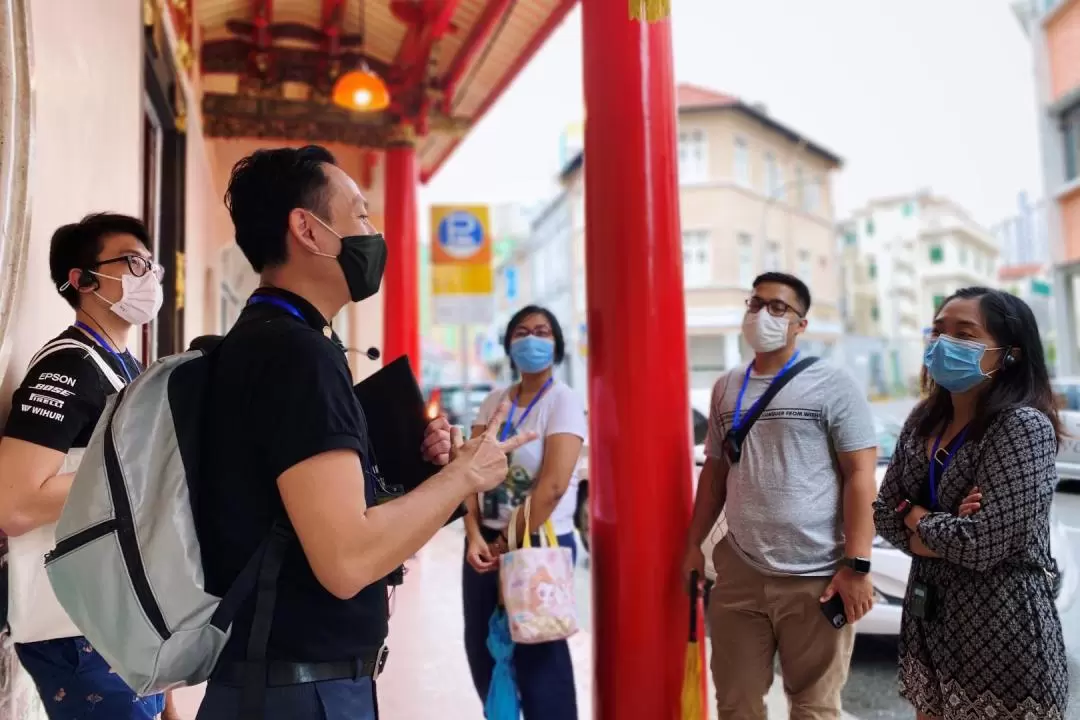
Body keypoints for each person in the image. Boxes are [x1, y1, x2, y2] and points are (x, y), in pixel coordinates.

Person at [194, 145, 534, 719]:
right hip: (298, 693)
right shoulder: (296, 355)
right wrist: (463, 479)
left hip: (280, 680)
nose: (372, 232)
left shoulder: (274, 339)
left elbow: (295, 511)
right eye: (360, 214)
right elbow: (347, 560)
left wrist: (422, 472)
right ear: (308, 229)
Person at [0, 213, 177, 719]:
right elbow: (12, 504)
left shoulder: (125, 367)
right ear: (81, 280)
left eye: (153, 266)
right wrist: (132, 475)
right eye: (133, 262)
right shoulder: (66, 366)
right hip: (75, 625)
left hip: (121, 615)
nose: (149, 276)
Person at [682, 271, 879, 720]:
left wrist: (857, 566)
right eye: (755, 304)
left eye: (777, 308)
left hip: (817, 577)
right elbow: (714, 473)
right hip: (740, 572)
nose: (762, 315)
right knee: (736, 704)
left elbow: (860, 476)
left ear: (800, 325)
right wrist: (693, 544)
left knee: (813, 707)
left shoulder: (834, 384)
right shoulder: (726, 387)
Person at [872, 287, 1069, 720]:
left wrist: (917, 515)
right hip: (930, 620)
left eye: (964, 334)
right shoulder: (923, 420)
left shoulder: (1021, 426)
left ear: (1009, 353)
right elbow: (885, 513)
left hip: (1001, 630)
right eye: (938, 332)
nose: (944, 344)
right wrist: (941, 527)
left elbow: (982, 544)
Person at [462, 305, 586, 719]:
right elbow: (467, 470)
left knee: (540, 660)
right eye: (521, 332)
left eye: (543, 331)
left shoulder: (563, 400)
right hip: (484, 546)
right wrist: (474, 534)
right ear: (509, 344)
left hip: (538, 547)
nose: (532, 339)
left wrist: (502, 545)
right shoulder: (495, 401)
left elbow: (551, 487)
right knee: (485, 652)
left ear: (556, 344)